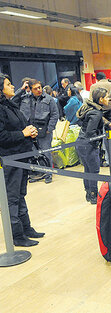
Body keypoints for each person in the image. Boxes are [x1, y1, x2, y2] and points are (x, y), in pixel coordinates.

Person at [0, 73, 44, 246]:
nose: (12, 86)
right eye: (8, 84)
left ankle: (26, 228)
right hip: (10, 159)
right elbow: (2, 136)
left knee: (21, 194)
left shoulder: (9, 105)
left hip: (21, 155)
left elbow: (18, 126)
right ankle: (17, 236)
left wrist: (28, 130)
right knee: (12, 198)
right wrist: (22, 133)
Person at [20, 79, 59, 184]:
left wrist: (49, 129)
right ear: (30, 89)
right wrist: (22, 90)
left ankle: (48, 174)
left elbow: (55, 114)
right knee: (34, 154)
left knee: (46, 153)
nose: (38, 90)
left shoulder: (49, 99)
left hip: (44, 131)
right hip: (30, 131)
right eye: (35, 88)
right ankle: (38, 173)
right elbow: (14, 100)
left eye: (40, 87)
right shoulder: (26, 99)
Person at [75, 87, 107, 204]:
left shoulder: (88, 108)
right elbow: (90, 132)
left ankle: (89, 193)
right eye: (107, 97)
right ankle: (93, 195)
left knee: (87, 169)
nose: (108, 99)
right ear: (101, 99)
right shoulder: (96, 113)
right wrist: (98, 139)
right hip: (88, 144)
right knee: (94, 170)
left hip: (80, 142)